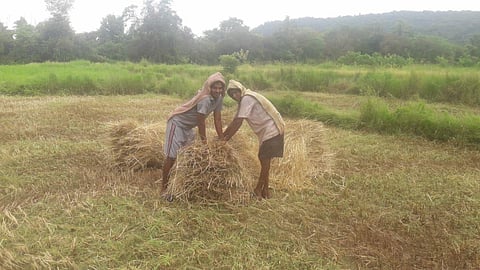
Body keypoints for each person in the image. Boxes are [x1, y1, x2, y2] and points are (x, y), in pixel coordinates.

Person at [162, 72, 226, 199]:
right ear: (209, 87)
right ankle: (164, 188)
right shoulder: (205, 99)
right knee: (172, 156)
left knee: (187, 156)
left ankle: (180, 185)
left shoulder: (219, 98)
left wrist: (222, 138)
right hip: (178, 123)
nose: (217, 90)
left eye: (220, 88)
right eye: (215, 87)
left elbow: (217, 119)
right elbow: (201, 122)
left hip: (188, 127)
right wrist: (204, 143)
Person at [222, 79, 285, 199]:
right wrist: (223, 136)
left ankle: (258, 189)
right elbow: (235, 120)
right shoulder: (244, 100)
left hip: (273, 129)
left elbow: (238, 122)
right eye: (232, 94)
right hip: (270, 130)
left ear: (240, 89)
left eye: (236, 92)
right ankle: (265, 190)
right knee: (264, 161)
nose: (235, 96)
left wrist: (223, 139)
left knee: (264, 159)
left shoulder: (247, 98)